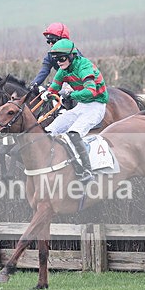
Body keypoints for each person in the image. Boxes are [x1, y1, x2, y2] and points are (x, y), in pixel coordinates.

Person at [44, 39, 108, 181]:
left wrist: (70, 94)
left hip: (96, 106)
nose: (59, 62)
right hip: (81, 106)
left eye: (61, 58)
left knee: (73, 134)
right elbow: (53, 88)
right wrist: (46, 94)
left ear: (72, 56)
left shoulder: (84, 66)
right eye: (56, 59)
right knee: (48, 131)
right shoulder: (63, 70)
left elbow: (90, 91)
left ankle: (87, 171)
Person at [30, 22, 82, 90]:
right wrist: (34, 83)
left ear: (63, 40)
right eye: (48, 41)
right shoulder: (50, 55)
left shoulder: (74, 54)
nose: (51, 44)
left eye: (53, 41)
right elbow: (44, 71)